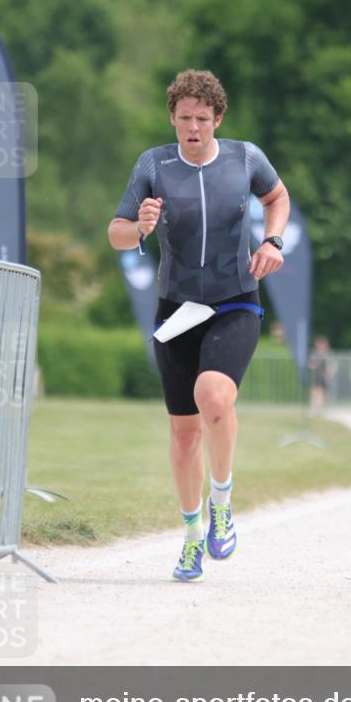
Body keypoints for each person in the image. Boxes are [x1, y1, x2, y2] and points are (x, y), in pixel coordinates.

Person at [108, 69, 290, 581]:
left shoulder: (245, 158)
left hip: (236, 300)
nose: (193, 128)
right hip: (176, 310)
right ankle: (191, 539)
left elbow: (277, 198)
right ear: (172, 117)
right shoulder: (153, 165)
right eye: (184, 118)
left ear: (218, 119)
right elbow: (116, 233)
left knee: (215, 395)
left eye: (202, 119)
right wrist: (138, 226)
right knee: (184, 434)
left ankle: (223, 502)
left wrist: (272, 242)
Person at [308, 336, 337, 415]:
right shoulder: (314, 354)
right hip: (315, 376)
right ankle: (316, 409)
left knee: (323, 394)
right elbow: (310, 364)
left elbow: (332, 365)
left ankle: (321, 409)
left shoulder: (328, 354)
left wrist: (330, 372)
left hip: (324, 377)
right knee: (314, 393)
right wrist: (313, 365)